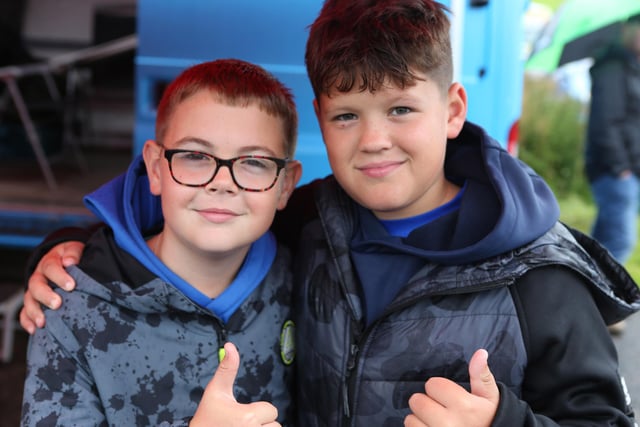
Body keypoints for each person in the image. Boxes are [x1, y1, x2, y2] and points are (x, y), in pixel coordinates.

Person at [20, 1, 640, 426]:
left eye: (400, 109)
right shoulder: (310, 223)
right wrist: (73, 245)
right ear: (321, 118)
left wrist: (506, 422)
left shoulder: (542, 275)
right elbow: (193, 216)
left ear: (452, 109)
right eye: (348, 115)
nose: (373, 140)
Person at [20, 58, 302, 426]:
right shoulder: (70, 310)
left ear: (285, 185)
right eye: (196, 156)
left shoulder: (301, 277)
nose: (222, 182)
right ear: (155, 169)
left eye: (254, 161)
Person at [586, 13, 640, 266]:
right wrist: (621, 168)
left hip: (627, 169)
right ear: (626, 30)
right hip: (614, 170)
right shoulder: (613, 68)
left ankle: (585, 297)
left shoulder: (631, 68)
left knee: (601, 244)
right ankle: (607, 302)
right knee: (619, 242)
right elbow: (605, 123)